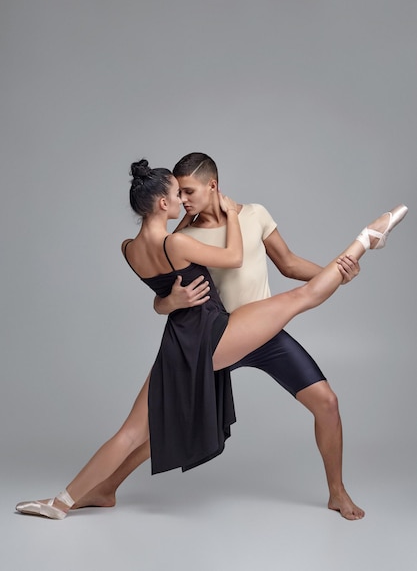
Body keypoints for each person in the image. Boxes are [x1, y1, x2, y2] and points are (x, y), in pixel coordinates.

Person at [15, 158, 407, 520]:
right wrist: (180, 287)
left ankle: (72, 498)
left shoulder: (166, 238)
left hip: (220, 336)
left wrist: (172, 298)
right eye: (177, 193)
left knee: (143, 428)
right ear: (162, 203)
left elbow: (285, 264)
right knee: (303, 299)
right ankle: (367, 239)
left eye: (189, 192)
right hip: (217, 333)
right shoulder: (181, 236)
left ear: (212, 186)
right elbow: (196, 274)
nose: (183, 200)